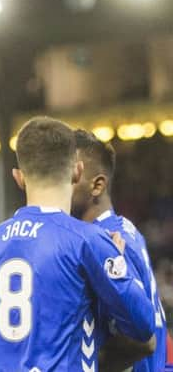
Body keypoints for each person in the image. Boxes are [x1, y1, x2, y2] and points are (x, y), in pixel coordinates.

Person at [0, 116, 155, 371]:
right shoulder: (88, 240)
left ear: (18, 177)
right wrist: (118, 262)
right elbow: (144, 327)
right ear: (77, 171)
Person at [72, 128, 165, 371]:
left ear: (97, 185)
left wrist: (93, 366)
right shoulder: (120, 229)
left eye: (70, 176)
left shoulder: (110, 239)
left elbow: (144, 342)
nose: (59, 184)